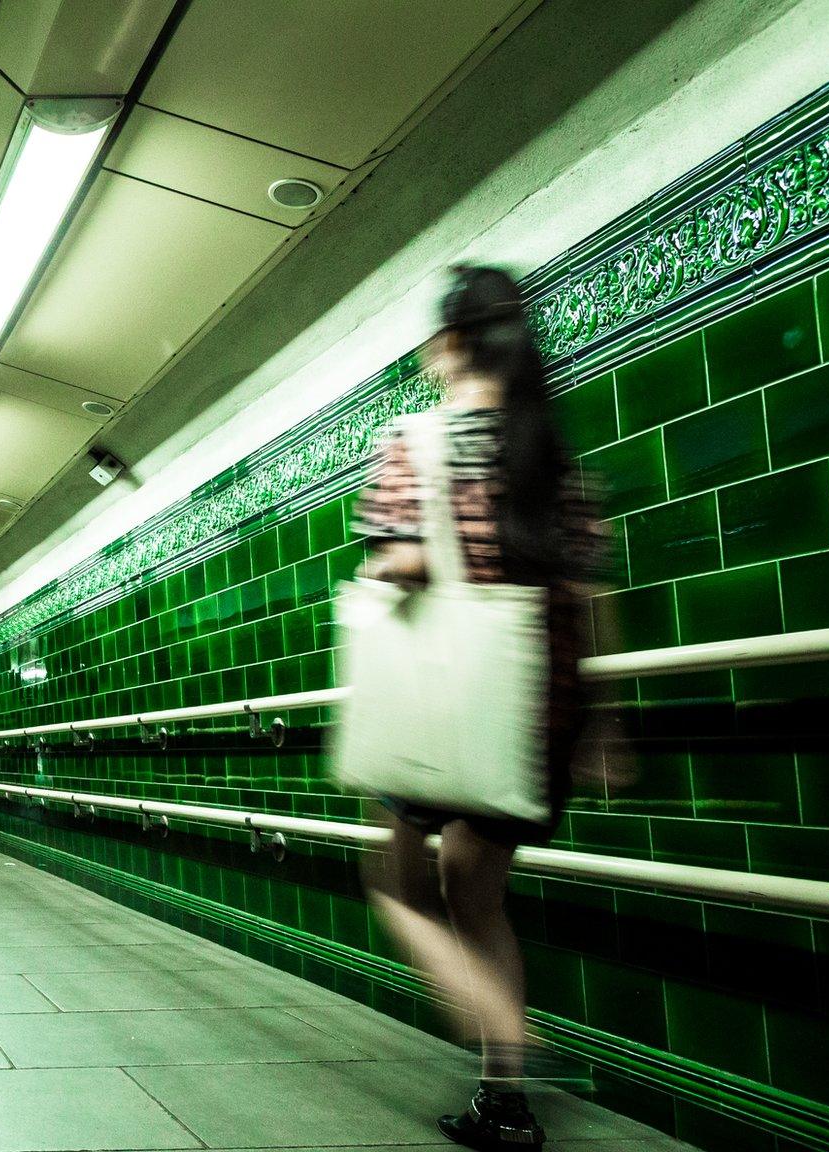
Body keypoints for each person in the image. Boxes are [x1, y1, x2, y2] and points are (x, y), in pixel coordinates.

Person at [352, 265, 605, 1150]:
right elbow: (579, 590)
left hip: (449, 700)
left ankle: (497, 1022)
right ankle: (505, 1102)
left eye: (433, 339)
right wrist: (600, 724)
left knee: (397, 879)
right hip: (540, 704)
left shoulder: (420, 439)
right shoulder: (548, 448)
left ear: (452, 343)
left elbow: (409, 564)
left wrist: (376, 571)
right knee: (478, 896)